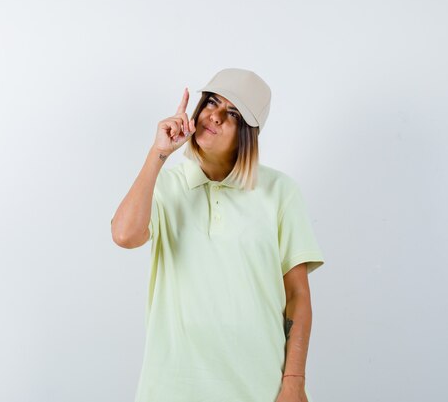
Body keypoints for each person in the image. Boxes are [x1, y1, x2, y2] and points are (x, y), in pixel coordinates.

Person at [111, 68, 325, 402]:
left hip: (260, 388)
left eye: (234, 114)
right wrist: (159, 154)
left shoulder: (280, 192)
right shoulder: (165, 187)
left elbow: (298, 296)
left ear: (249, 134)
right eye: (211, 101)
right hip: (172, 388)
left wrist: (294, 381)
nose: (215, 116)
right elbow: (124, 235)